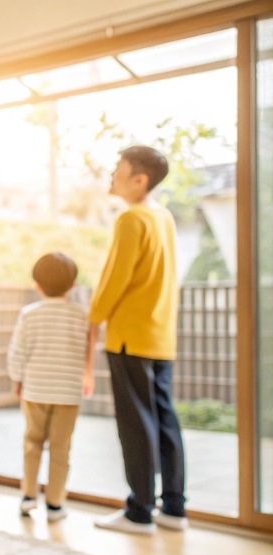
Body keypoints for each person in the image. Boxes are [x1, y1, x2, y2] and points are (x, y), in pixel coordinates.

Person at [87, 145, 187, 535]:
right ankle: (174, 508)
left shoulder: (131, 219)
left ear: (139, 179)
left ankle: (140, 512)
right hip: (160, 337)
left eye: (119, 169)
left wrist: (94, 317)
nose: (112, 175)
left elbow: (116, 278)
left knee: (136, 424)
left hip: (130, 336)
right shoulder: (163, 217)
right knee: (164, 421)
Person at [7, 252, 91, 523]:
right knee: (60, 448)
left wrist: (16, 379)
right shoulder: (82, 316)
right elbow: (85, 352)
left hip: (35, 390)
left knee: (32, 443)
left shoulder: (29, 314)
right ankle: (55, 504)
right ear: (73, 285)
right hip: (67, 393)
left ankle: (29, 497)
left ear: (37, 284)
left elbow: (18, 352)